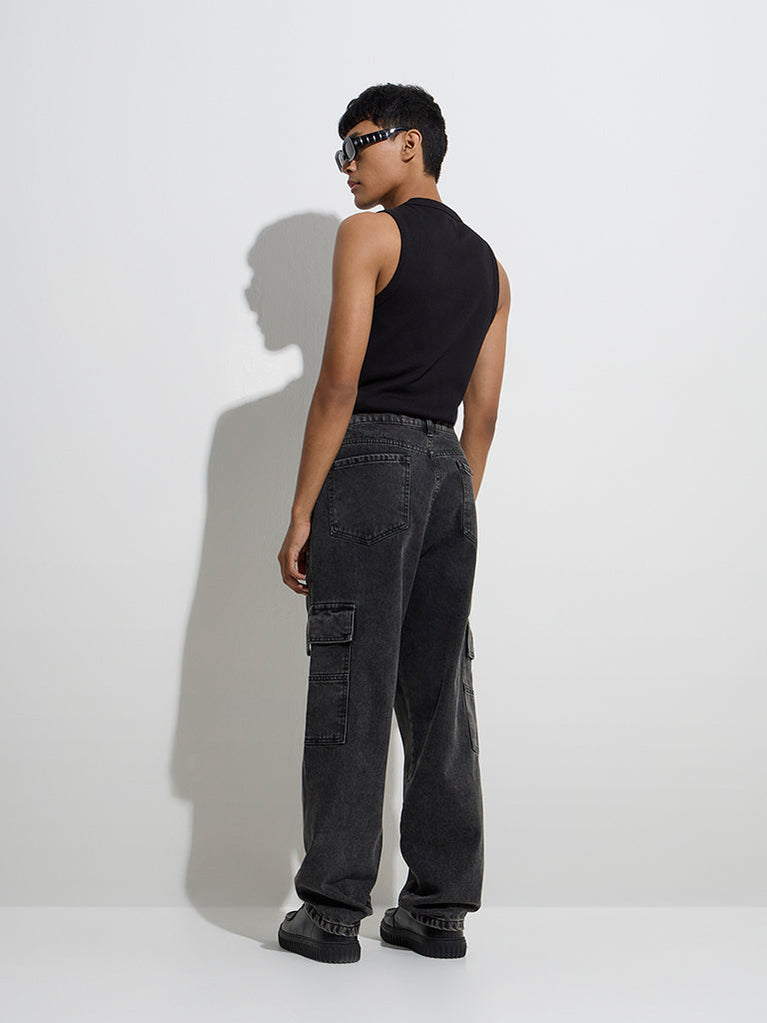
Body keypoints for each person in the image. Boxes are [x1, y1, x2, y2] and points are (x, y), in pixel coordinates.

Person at [276, 83, 511, 963]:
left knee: (352, 671)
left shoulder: (369, 235)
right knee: (439, 688)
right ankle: (438, 910)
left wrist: (302, 509)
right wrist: (448, 500)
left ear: (410, 142)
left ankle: (333, 912)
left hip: (370, 458)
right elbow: (482, 415)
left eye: (357, 145)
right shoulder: (491, 269)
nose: (345, 167)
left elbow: (339, 382)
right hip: (450, 472)